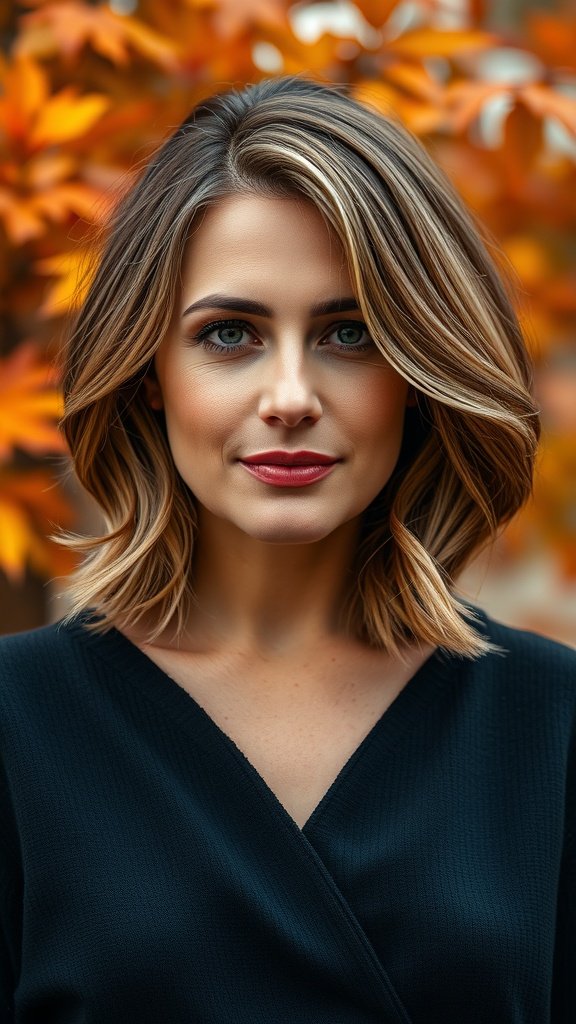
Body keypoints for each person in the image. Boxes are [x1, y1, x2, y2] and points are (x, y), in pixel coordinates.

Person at [0, 75, 574, 1024]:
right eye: (230, 334)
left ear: (419, 373)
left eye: (350, 333)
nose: (291, 395)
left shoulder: (550, 725)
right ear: (151, 375)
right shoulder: (17, 725)